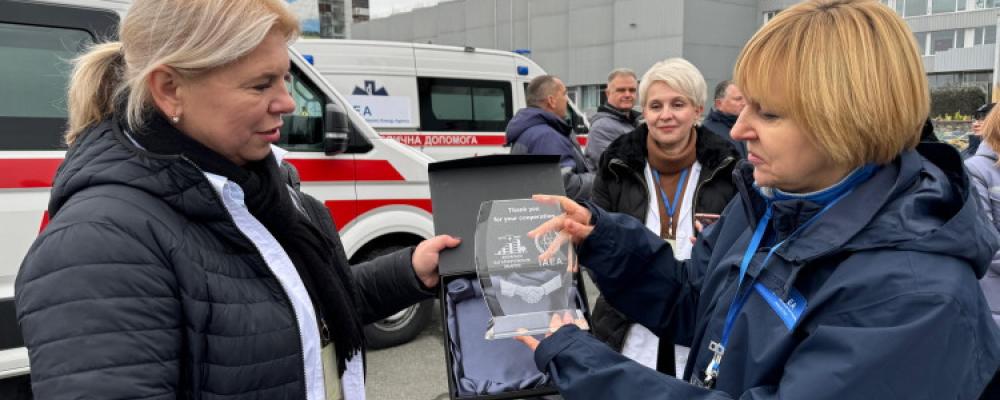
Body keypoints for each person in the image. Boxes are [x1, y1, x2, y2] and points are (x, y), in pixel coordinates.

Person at [515, 1, 1000, 398]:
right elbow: (691, 299)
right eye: (744, 105)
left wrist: (586, 365)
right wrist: (602, 236)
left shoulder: (912, 299)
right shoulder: (772, 205)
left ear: (847, 120)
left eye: (767, 113)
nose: (741, 128)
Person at [13, 1, 460, 399]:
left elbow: (303, 315)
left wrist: (409, 270)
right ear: (169, 89)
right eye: (261, 85)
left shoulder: (264, 191)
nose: (287, 103)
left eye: (285, 79)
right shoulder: (101, 244)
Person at [589, 58, 739, 377]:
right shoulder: (616, 163)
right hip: (625, 320)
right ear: (645, 112)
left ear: (698, 110)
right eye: (655, 105)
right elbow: (597, 242)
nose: (666, 115)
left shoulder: (729, 168)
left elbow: (741, 248)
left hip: (700, 319)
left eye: (678, 104)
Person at [506, 75, 593, 201]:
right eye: (564, 94)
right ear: (551, 101)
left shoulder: (530, 131)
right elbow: (564, 187)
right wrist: (597, 180)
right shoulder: (546, 137)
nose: (567, 100)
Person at [584, 68, 642, 168]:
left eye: (632, 90)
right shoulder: (602, 127)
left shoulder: (637, 121)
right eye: (621, 90)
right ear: (608, 93)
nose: (627, 94)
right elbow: (617, 167)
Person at [702, 80, 747, 158]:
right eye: (738, 99)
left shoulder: (749, 127)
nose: (744, 103)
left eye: (746, 98)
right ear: (719, 104)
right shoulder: (707, 133)